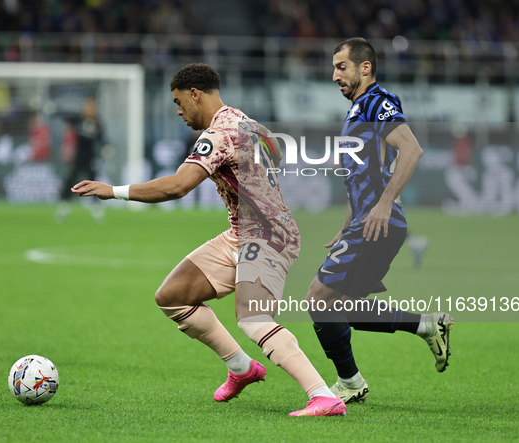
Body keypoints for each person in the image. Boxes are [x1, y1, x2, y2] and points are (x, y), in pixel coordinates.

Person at [71, 63, 347, 417]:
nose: (178, 111)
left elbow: (177, 186)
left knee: (254, 319)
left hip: (266, 236)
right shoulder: (246, 121)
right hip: (242, 233)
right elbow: (274, 150)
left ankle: (323, 396)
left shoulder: (217, 135)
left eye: (178, 101)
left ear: (195, 94)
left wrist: (113, 191)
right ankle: (240, 367)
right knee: (172, 297)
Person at [305, 38, 454, 404]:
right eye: (334, 67)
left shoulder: (376, 101)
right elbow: (362, 176)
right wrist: (347, 221)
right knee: (339, 307)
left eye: (342, 66)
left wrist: (384, 204)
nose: (335, 75)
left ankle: (351, 382)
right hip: (366, 222)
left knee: (318, 299)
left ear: (365, 67)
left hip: (378, 223)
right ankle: (425, 325)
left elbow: (412, 148)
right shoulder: (357, 110)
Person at [57, 98, 105, 222]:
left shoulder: (97, 123)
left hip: (91, 157)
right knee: (71, 181)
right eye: (87, 107)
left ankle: (96, 209)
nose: (89, 110)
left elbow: (102, 138)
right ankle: (64, 207)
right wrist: (54, 109)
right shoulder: (78, 120)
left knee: (94, 182)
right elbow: (65, 116)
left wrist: (106, 146)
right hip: (78, 157)